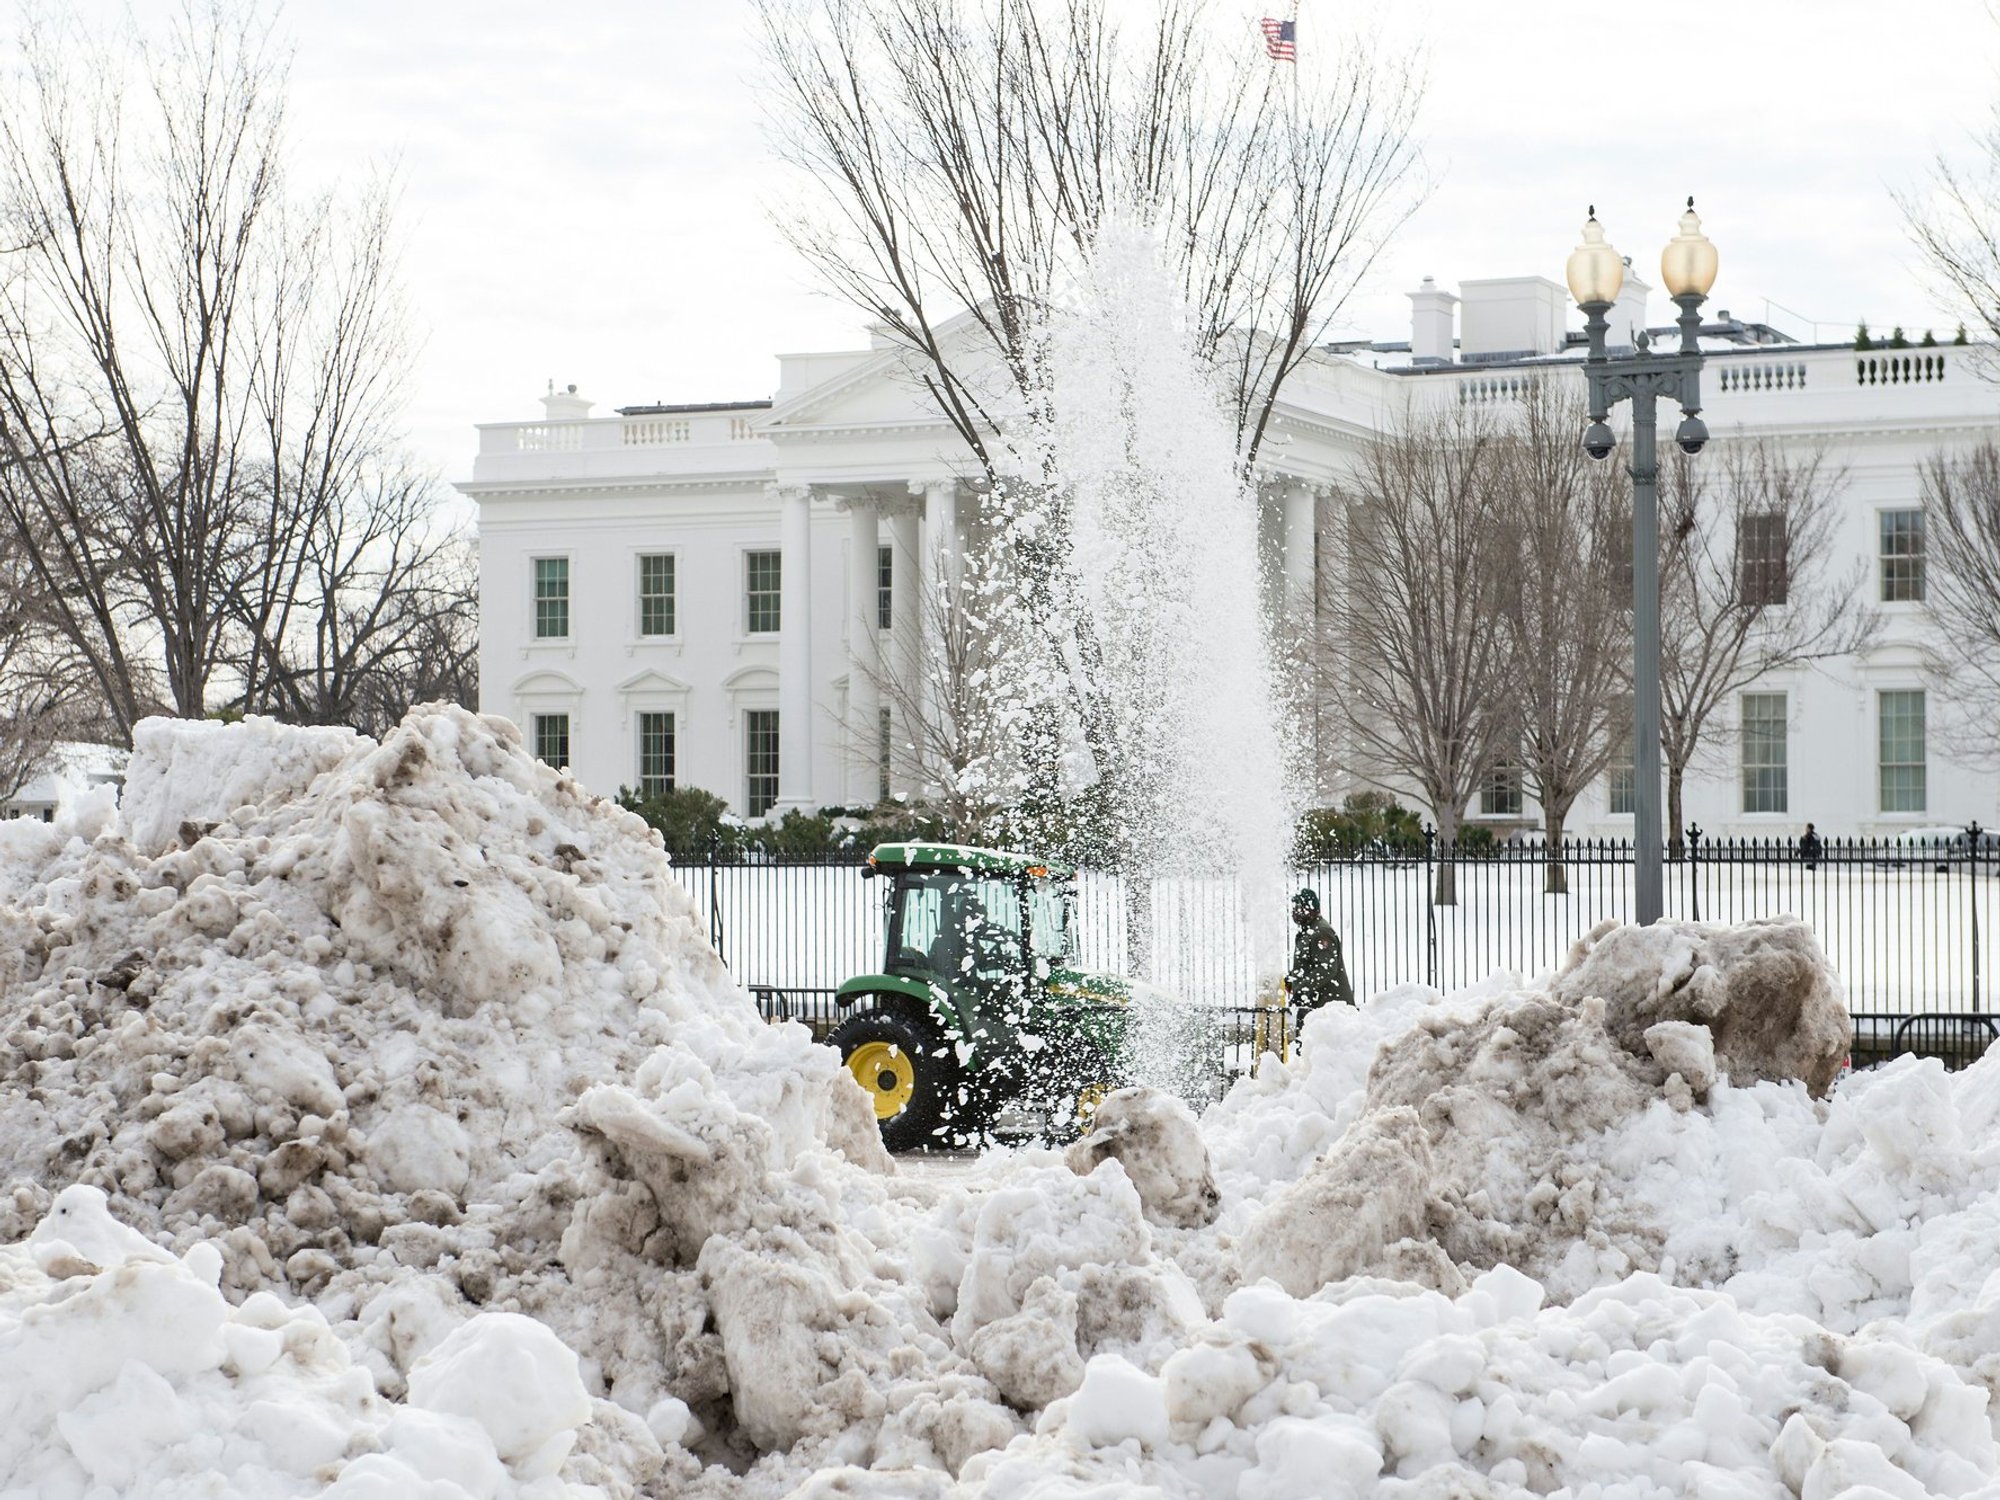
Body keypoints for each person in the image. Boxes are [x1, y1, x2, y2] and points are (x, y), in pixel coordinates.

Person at [1287, 887, 1354, 1012]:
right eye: (1294, 908)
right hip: (1316, 1005)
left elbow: (1326, 968)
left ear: (1311, 909)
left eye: (1299, 908)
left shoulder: (1321, 933)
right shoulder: (1308, 931)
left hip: (1331, 1008)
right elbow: (1307, 964)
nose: (1294, 912)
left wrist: (1303, 989)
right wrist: (1293, 978)